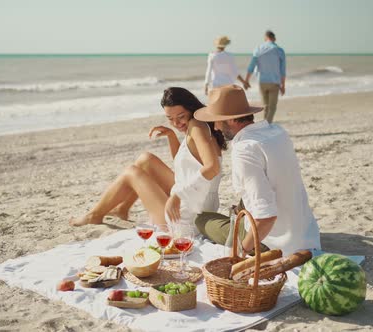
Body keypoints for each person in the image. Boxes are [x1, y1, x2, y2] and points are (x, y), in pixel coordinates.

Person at [69, 87, 226, 231]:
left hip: (186, 218)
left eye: (180, 116)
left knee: (131, 172)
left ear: (191, 109)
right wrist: (172, 136)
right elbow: (186, 163)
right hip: (199, 201)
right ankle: (122, 209)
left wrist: (178, 196)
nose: (176, 123)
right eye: (170, 118)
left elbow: (212, 167)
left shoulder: (196, 127)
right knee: (146, 159)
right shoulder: (202, 126)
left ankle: (94, 216)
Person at [193, 85, 320, 256]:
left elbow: (266, 217)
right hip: (305, 233)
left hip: (273, 242)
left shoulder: (244, 149)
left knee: (201, 219)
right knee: (239, 207)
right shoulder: (277, 132)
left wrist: (239, 252)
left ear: (231, 119)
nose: (215, 127)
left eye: (216, 120)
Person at [244, 30, 286, 123]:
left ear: (265, 38)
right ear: (274, 38)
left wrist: (246, 80)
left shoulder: (258, 48)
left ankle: (265, 124)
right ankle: (267, 125)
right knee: (272, 107)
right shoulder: (279, 50)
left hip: (262, 81)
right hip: (274, 82)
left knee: (265, 105)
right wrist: (283, 85)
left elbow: (251, 66)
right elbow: (282, 71)